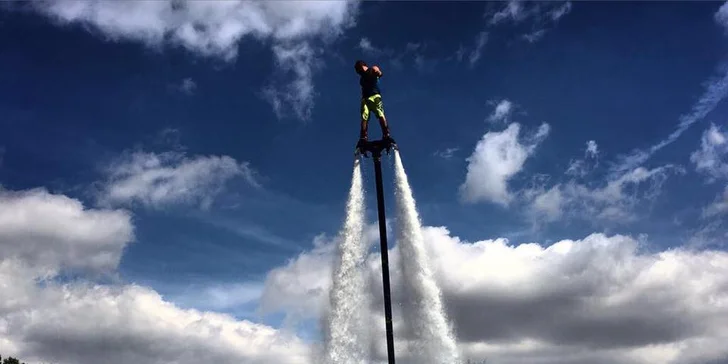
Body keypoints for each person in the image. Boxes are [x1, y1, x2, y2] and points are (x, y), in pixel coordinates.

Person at [354, 60, 394, 149]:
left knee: (380, 113)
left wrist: (378, 73)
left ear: (362, 66)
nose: (359, 72)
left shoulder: (372, 69)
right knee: (364, 117)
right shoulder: (361, 79)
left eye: (359, 70)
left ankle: (386, 134)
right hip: (365, 99)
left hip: (375, 96)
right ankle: (363, 137)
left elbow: (379, 72)